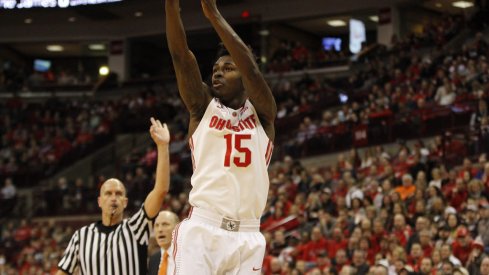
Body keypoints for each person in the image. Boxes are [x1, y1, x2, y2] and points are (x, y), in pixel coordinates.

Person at [165, 0, 277, 273]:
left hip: (248, 235)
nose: (218, 73)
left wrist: (213, 15)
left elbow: (251, 69)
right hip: (204, 228)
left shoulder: (263, 114)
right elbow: (182, 57)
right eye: (216, 69)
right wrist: (170, 6)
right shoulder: (202, 107)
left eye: (228, 68)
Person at [56, 117, 170, 275]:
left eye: (118, 194)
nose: (113, 197)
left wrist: (163, 146)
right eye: (108, 194)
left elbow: (161, 190)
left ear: (125, 202)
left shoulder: (136, 228)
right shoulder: (81, 236)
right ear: (99, 201)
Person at [148, 211, 179, 275]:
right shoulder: (153, 259)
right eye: (156, 225)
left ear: (178, 228)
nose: (160, 229)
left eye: (165, 224)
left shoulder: (186, 255)